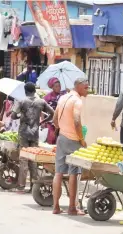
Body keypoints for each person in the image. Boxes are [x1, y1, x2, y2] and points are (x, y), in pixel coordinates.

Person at [52, 77, 88, 215]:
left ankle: (55, 206)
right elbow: (77, 121)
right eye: (86, 87)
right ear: (78, 86)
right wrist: (81, 139)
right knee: (74, 173)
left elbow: (55, 118)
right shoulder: (77, 101)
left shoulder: (63, 98)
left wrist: (60, 129)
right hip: (73, 140)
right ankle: (72, 207)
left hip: (62, 138)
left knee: (58, 173)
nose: (87, 90)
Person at [11, 82, 54, 193]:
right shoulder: (41, 101)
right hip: (35, 133)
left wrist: (21, 115)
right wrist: (43, 121)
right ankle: (34, 186)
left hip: (24, 132)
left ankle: (21, 186)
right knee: (34, 159)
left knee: (24, 159)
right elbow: (52, 113)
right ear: (34, 90)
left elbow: (13, 115)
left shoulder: (22, 101)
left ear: (25, 91)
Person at [43, 77, 66, 144]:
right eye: (56, 86)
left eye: (59, 86)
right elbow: (42, 109)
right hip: (51, 121)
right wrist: (43, 121)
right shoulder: (47, 97)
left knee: (61, 140)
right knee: (51, 138)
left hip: (62, 121)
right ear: (52, 87)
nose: (58, 88)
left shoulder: (64, 95)